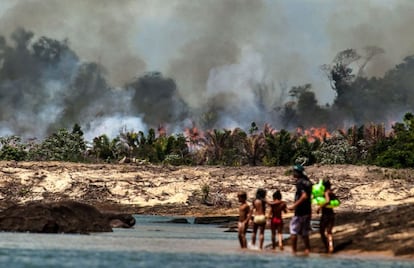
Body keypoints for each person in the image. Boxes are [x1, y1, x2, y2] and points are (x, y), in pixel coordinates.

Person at [288, 164, 313, 255]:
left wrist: (294, 206)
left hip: (300, 211)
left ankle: (293, 251)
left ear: (297, 173)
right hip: (307, 210)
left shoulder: (300, 182)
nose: (293, 173)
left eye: (294, 172)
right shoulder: (307, 181)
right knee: (304, 232)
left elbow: (304, 196)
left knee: (293, 230)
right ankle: (307, 250)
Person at [317, 179, 336, 253]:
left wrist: (320, 207)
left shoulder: (326, 192)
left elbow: (327, 201)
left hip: (325, 215)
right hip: (332, 214)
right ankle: (331, 247)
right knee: (329, 232)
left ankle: (327, 247)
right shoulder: (331, 192)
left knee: (322, 231)